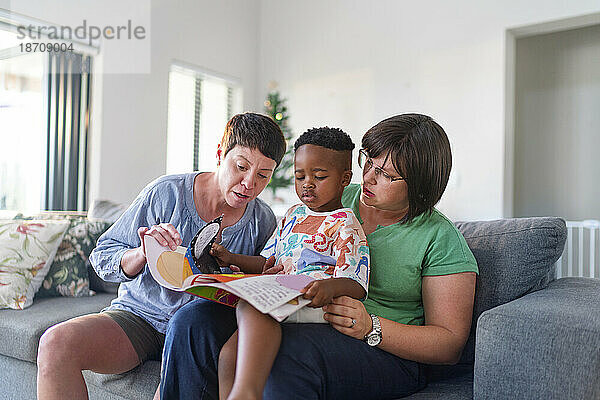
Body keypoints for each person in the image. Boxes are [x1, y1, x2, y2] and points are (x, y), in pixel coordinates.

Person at [160, 113, 479, 400]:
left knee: (285, 351)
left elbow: (449, 345)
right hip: (301, 314)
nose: (367, 177)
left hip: (382, 351)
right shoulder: (335, 199)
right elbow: (283, 252)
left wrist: (371, 326)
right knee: (193, 321)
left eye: (385, 175)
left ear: (421, 186)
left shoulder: (440, 238)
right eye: (368, 162)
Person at [36, 112, 287, 400]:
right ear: (220, 154)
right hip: (140, 318)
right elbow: (102, 256)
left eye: (263, 175)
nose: (249, 183)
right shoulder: (167, 193)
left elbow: (259, 292)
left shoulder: (262, 221)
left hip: (198, 333)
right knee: (55, 344)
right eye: (241, 166)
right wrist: (143, 252)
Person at [210, 127, 370, 400]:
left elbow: (357, 284)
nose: (307, 183)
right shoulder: (292, 215)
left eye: (319, 177)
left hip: (316, 303)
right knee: (228, 356)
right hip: (283, 291)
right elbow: (266, 261)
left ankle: (246, 394)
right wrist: (231, 258)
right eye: (300, 176)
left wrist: (328, 287)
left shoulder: (345, 223)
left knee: (254, 306)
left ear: (345, 179)